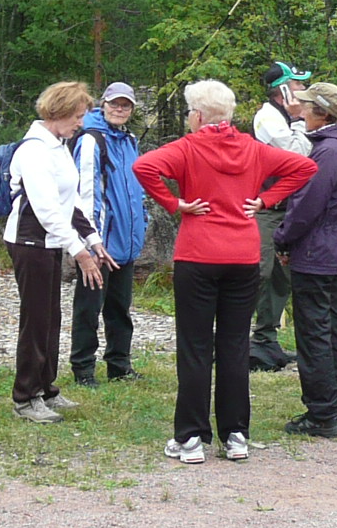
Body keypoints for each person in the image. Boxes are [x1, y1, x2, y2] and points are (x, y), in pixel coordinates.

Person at [135, 80, 316, 464]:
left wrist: (175, 204)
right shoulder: (252, 148)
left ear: (198, 116)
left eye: (189, 113)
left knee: (195, 346)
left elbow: (144, 166)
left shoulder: (188, 147)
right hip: (243, 256)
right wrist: (267, 199)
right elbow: (304, 166)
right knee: (234, 346)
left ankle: (190, 440)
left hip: (198, 254)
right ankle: (236, 436)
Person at [4, 81, 112, 422]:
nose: (80, 123)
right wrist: (79, 253)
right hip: (30, 243)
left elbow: (72, 201)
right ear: (60, 112)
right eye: (77, 116)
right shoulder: (34, 150)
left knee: (51, 318)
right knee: (35, 320)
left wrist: (93, 239)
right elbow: (48, 210)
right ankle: (25, 396)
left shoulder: (59, 145)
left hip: (51, 242)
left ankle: (46, 387)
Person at [276, 82, 337, 438]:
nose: (300, 108)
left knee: (314, 332)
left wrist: (283, 238)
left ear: (322, 113)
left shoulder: (328, 152)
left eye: (307, 105)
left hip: (316, 251)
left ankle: (323, 412)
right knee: (331, 326)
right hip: (334, 248)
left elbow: (307, 207)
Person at [70, 81, 148, 387]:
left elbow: (136, 187)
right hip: (99, 243)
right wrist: (91, 242)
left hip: (125, 243)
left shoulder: (128, 140)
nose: (119, 109)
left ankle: (119, 364)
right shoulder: (92, 140)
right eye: (114, 104)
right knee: (89, 308)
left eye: (125, 105)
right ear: (103, 104)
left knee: (120, 308)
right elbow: (86, 193)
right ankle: (83, 369)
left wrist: (142, 220)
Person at [250, 61, 313, 371]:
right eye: (299, 85)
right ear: (284, 89)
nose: (305, 90)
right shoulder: (267, 117)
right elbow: (296, 155)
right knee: (257, 272)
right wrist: (300, 119)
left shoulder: (286, 118)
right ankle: (232, 338)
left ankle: (265, 339)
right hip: (266, 209)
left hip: (288, 208)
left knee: (281, 277)